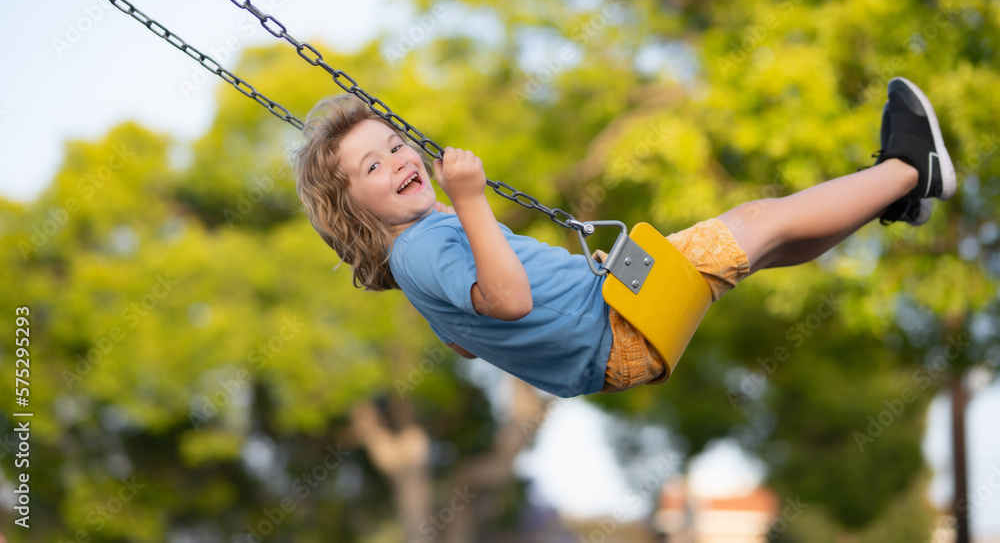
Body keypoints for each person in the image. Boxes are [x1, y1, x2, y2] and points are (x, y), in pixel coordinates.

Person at [293, 77, 955, 398]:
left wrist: (562, 289)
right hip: (617, 324)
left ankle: (888, 197)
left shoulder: (421, 255)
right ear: (354, 212)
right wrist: (471, 201)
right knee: (760, 221)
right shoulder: (423, 244)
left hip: (613, 314)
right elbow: (509, 300)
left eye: (395, 143)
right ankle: (908, 166)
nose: (399, 159)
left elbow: (466, 340)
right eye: (372, 167)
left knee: (766, 242)